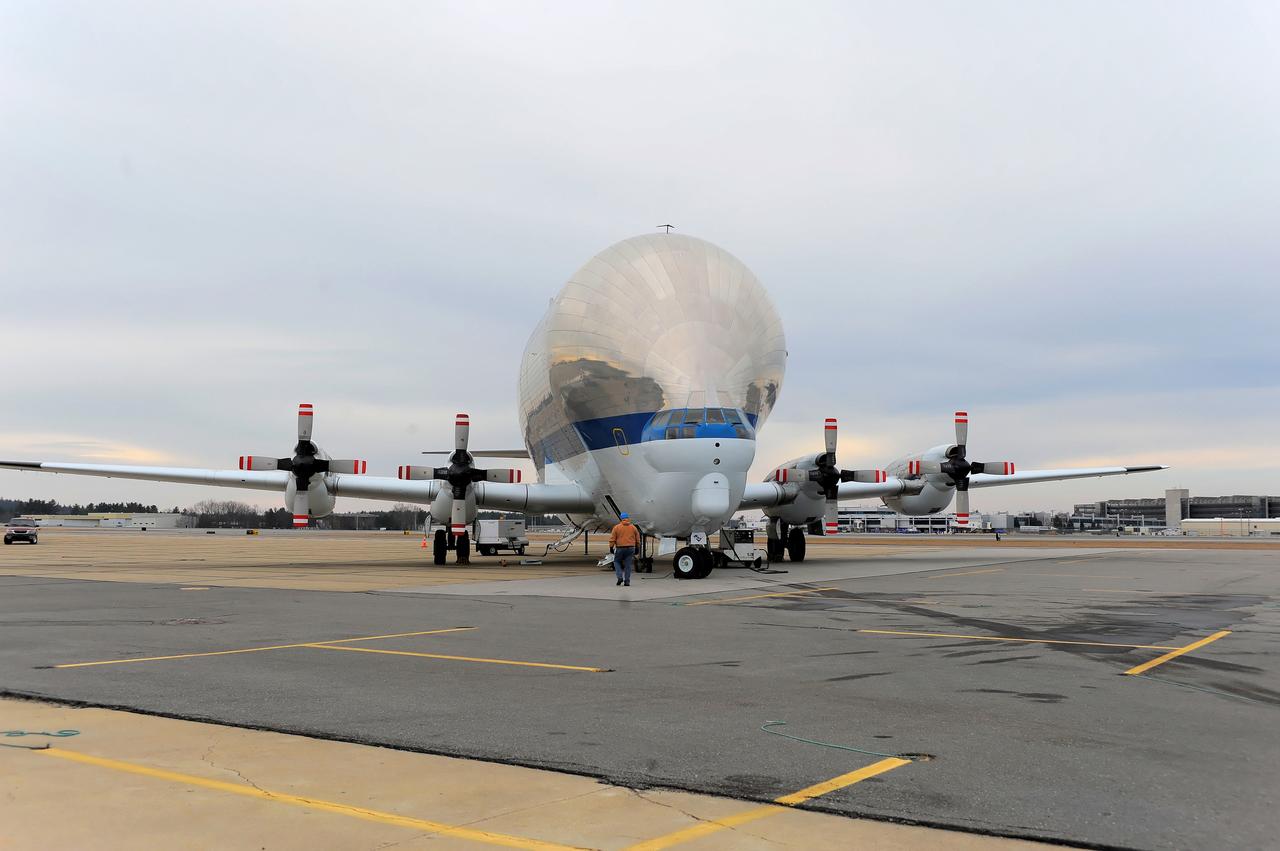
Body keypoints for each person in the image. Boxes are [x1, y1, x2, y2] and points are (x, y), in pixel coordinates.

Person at [608, 512, 640, 586]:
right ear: (628, 518)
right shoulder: (633, 527)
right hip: (631, 548)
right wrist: (637, 547)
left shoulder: (617, 527)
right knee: (628, 565)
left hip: (620, 548)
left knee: (616, 562)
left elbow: (612, 538)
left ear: (621, 519)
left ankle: (619, 577)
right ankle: (627, 581)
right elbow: (637, 539)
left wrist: (611, 547)